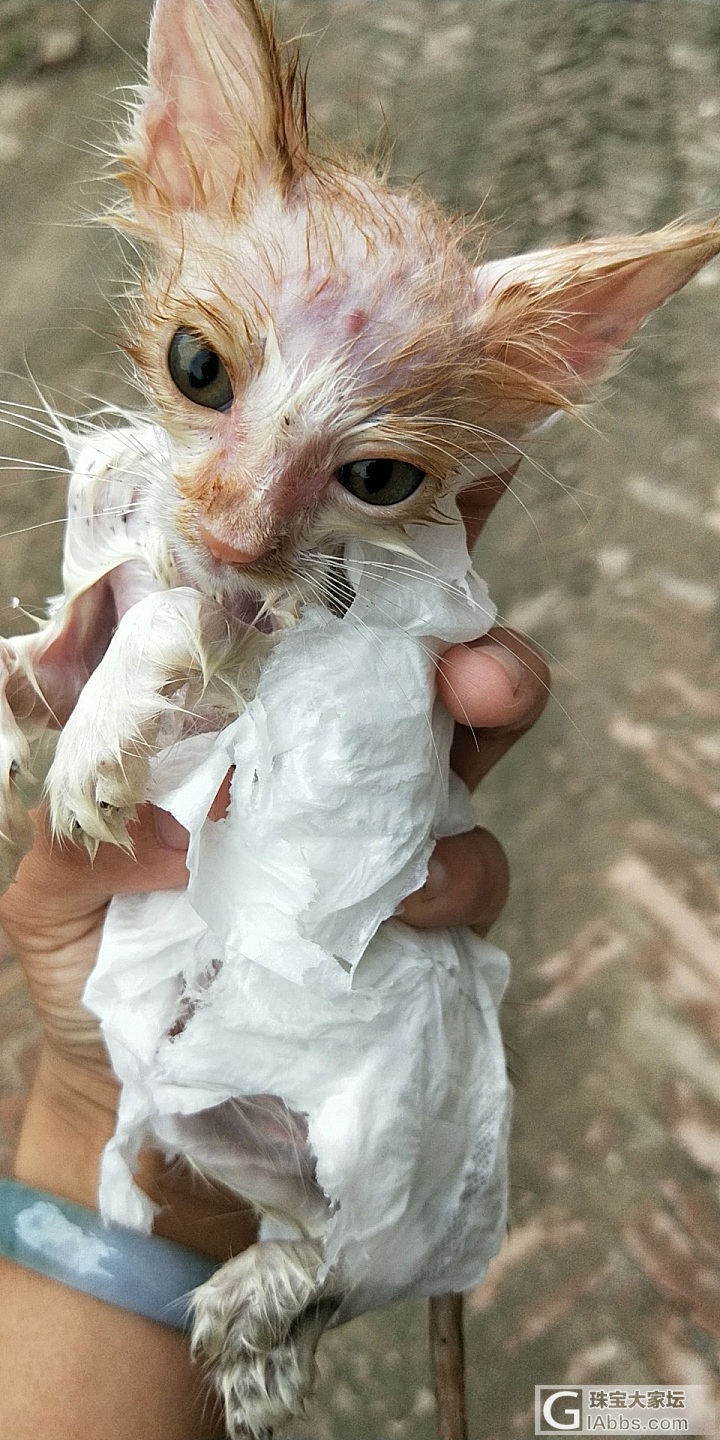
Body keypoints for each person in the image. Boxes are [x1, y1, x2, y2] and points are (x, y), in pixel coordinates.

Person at [0, 478, 549, 1439]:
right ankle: (310, 1259)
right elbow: (75, 662)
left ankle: (318, 1263)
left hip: (328, 1002)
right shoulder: (139, 487)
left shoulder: (395, 582)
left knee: (378, 1053)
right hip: (176, 994)